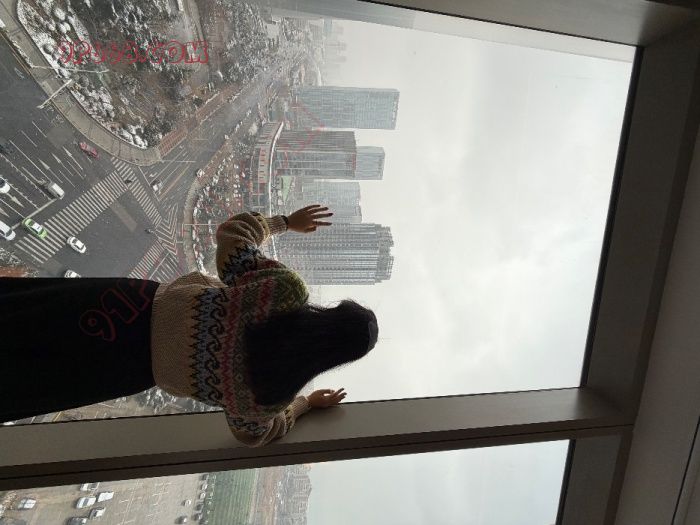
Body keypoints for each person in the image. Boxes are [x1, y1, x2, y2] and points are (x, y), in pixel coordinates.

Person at [0, 205, 379, 447]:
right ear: (334, 359)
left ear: (333, 312)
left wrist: (284, 223)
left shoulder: (284, 293)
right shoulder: (272, 392)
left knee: (25, 313)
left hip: (128, 307)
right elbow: (254, 434)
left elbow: (233, 236)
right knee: (30, 381)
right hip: (127, 370)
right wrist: (305, 405)